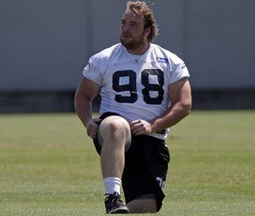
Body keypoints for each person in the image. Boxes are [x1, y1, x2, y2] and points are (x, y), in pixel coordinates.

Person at [74, 1, 192, 214]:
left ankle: (118, 209)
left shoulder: (169, 61)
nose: (126, 29)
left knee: (147, 206)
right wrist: (89, 121)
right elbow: (83, 95)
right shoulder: (105, 58)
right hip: (113, 131)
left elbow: (184, 104)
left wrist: (152, 125)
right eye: (123, 23)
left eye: (133, 25)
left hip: (151, 139)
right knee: (115, 126)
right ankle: (112, 197)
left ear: (147, 31)